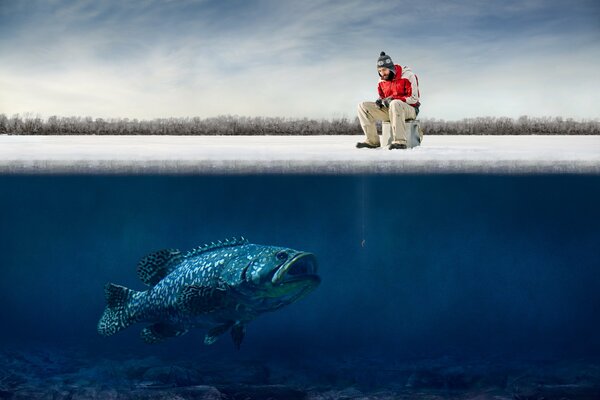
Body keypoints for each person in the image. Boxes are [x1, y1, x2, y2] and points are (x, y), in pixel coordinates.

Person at [356, 51, 421, 150]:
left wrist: (393, 99)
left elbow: (414, 99)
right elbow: (382, 97)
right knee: (362, 106)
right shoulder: (381, 81)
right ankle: (372, 141)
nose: (382, 73)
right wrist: (380, 101)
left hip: (410, 110)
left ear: (391, 68)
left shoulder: (408, 76)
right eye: (380, 71)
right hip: (391, 110)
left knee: (395, 103)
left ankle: (400, 142)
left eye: (384, 70)